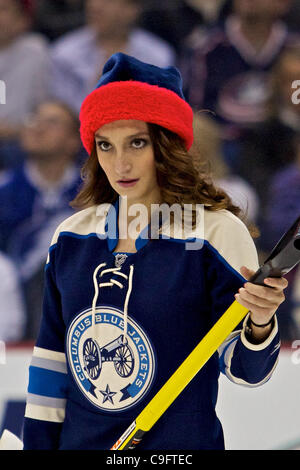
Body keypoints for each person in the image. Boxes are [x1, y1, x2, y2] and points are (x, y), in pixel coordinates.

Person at [23, 53, 287, 450]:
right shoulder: (71, 236)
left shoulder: (215, 233)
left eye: (137, 143)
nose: (120, 162)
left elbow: (246, 372)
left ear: (166, 145)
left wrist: (260, 324)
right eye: (105, 146)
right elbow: (50, 367)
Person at [0, 100, 82, 340]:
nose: (38, 127)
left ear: (73, 141)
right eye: (34, 118)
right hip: (11, 306)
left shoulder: (95, 194)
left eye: (52, 122)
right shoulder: (4, 191)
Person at [50, 0, 176, 113]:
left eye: (107, 1)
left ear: (132, 10)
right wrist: (95, 91)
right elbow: (62, 115)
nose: (95, 5)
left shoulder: (157, 56)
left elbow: (162, 111)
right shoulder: (63, 53)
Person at [0, 0, 51, 169]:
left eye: (3, 9)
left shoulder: (36, 51)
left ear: (23, 19)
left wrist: (19, 129)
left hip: (20, 142)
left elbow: (44, 104)